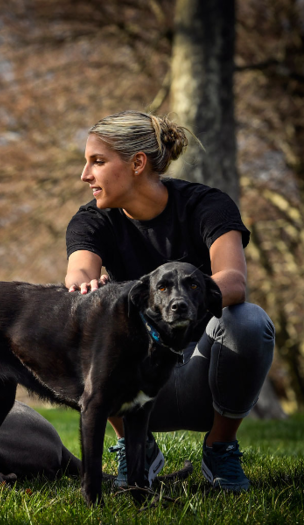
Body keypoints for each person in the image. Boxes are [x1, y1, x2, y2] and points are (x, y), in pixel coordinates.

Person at [64, 110, 275, 492]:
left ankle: (220, 447)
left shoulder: (207, 205)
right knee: (80, 321)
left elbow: (233, 280)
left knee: (248, 321)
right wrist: (87, 289)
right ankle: (136, 446)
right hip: (135, 385)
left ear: (137, 163)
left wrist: (176, 307)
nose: (85, 175)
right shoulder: (92, 220)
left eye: (97, 161)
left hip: (203, 376)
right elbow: (79, 272)